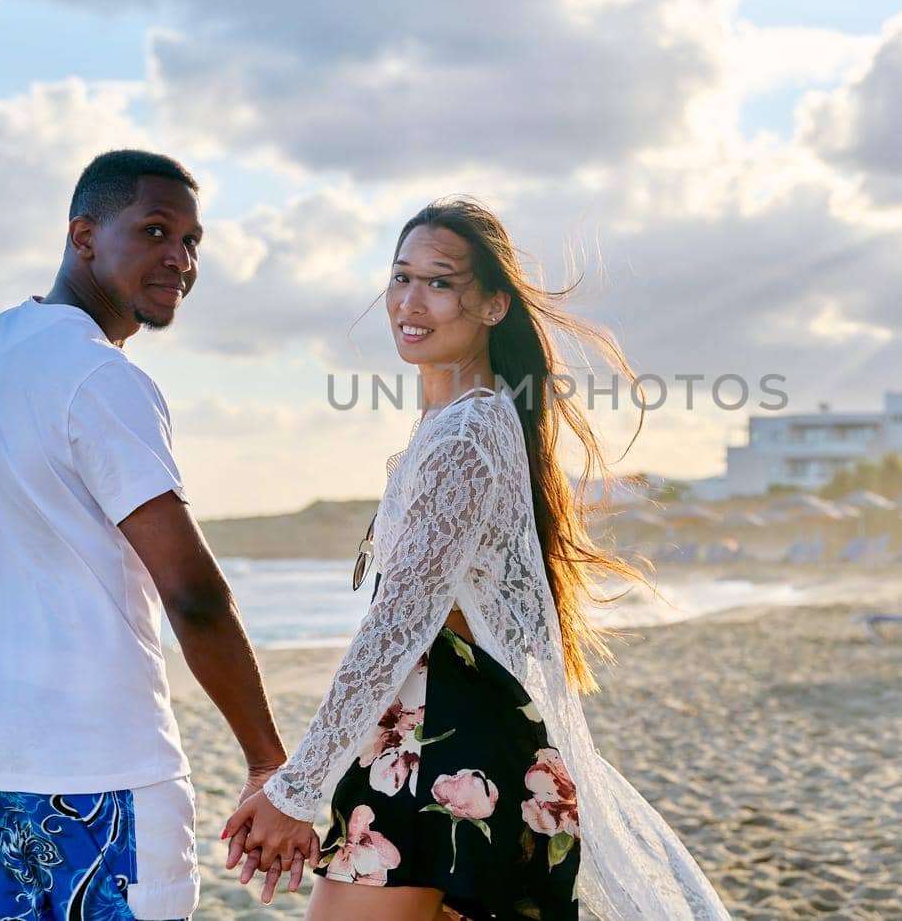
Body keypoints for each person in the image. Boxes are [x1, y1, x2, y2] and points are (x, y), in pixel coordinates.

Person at [224, 198, 728, 919]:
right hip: (438, 732)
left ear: (493, 305)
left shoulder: (465, 436)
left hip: (442, 743)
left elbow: (398, 623)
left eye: (440, 281)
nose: (410, 299)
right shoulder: (452, 425)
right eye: (401, 276)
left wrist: (297, 788)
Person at [0, 149, 318, 920]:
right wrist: (268, 759)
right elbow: (194, 593)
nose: (180, 258)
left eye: (193, 241)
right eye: (155, 230)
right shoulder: (102, 376)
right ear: (84, 237)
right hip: (94, 762)